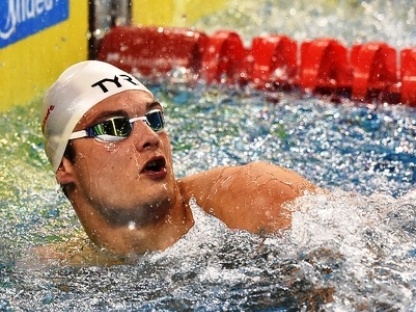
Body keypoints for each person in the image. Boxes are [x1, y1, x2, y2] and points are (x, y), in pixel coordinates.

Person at [39, 60, 316, 265]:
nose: (149, 137)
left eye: (154, 119)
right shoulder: (57, 271)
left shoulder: (253, 198)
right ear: (65, 166)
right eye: (114, 127)